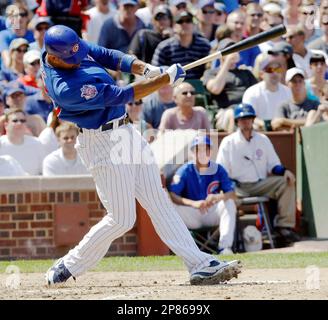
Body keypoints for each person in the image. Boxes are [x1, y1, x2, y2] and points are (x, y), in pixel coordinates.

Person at [42, 25, 241, 286]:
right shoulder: (64, 87)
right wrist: (163, 81)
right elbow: (120, 95)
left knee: (157, 201)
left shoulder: (70, 48)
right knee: (122, 218)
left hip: (125, 131)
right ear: (54, 57)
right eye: (71, 58)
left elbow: (109, 55)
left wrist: (144, 68)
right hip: (101, 142)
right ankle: (69, 265)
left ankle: (199, 264)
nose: (79, 58)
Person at [216, 103, 300, 246]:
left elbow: (273, 164)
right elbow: (221, 171)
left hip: (260, 184)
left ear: (253, 119)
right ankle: (228, 243)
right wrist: (229, 188)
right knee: (226, 201)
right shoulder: (228, 142)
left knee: (287, 181)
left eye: (248, 118)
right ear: (237, 121)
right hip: (237, 187)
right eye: (242, 118)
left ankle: (284, 227)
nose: (246, 121)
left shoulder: (263, 139)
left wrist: (285, 171)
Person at [168, 135, 237, 255]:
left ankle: (225, 248)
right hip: (192, 213)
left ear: (210, 152)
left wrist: (217, 197)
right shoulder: (185, 170)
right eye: (198, 150)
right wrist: (193, 203)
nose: (202, 153)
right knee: (170, 205)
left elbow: (232, 193)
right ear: (192, 153)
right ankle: (182, 249)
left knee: (229, 203)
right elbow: (173, 194)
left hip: (211, 212)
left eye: (205, 149)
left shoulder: (218, 169)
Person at [203, 37, 257, 132]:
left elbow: (258, 92)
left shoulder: (245, 72)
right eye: (228, 51)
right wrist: (227, 63)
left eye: (234, 49)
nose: (232, 53)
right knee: (232, 114)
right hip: (225, 112)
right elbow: (215, 89)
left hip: (248, 111)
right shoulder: (211, 73)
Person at [151, 11, 211, 80]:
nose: (184, 24)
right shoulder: (164, 47)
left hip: (199, 86)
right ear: (173, 26)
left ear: (194, 24)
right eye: (180, 21)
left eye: (188, 20)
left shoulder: (204, 45)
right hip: (172, 87)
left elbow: (210, 69)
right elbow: (155, 72)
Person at [242, 55, 292, 131]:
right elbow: (248, 117)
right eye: (270, 70)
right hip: (259, 133)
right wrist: (267, 125)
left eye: (277, 70)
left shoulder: (288, 92)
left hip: (283, 131)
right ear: (261, 74)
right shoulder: (251, 92)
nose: (274, 73)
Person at [0, 108, 45, 175]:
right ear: (6, 125)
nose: (19, 123)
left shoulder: (37, 143)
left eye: (22, 121)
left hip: (32, 184)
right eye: (15, 121)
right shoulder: (0, 144)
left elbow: (43, 170)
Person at [0, 3, 34, 68]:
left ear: (27, 18)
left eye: (22, 14)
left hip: (31, 72)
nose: (19, 17)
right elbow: (7, 60)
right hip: (10, 74)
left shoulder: (34, 34)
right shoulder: (3, 35)